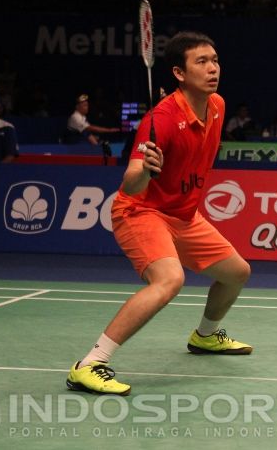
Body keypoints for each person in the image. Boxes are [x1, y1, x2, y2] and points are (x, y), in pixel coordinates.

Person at [66, 32, 253, 396]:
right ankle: (89, 364)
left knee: (237, 273)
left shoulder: (217, 106)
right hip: (141, 211)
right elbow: (130, 183)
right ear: (179, 73)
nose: (213, 68)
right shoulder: (161, 120)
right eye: (201, 61)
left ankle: (206, 336)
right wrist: (147, 170)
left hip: (183, 215)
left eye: (215, 60)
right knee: (169, 279)